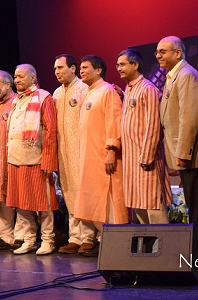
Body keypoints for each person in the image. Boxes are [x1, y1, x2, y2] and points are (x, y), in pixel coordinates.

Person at [157, 36, 198, 255]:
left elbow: (190, 118)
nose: (159, 56)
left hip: (192, 155)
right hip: (183, 155)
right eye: (157, 52)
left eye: (163, 51)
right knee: (193, 204)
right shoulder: (174, 76)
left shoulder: (187, 75)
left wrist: (183, 153)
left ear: (178, 53)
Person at [74, 55, 128, 256]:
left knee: (110, 199)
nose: (82, 70)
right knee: (95, 200)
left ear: (98, 70)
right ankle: (105, 241)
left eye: (85, 67)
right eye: (81, 67)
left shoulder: (107, 91)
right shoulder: (89, 93)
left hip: (104, 156)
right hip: (90, 157)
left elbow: (114, 122)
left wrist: (112, 151)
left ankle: (117, 245)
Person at [6, 65, 58, 256]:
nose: (17, 80)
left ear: (32, 77)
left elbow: (51, 131)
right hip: (16, 159)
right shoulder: (16, 101)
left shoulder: (44, 97)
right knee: (22, 204)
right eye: (15, 76)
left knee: (43, 203)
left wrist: (49, 161)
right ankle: (29, 240)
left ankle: (48, 240)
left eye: (20, 76)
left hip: (36, 160)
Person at [116, 49, 172, 224]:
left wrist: (147, 156)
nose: (118, 68)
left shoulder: (148, 88)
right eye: (117, 65)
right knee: (137, 202)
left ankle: (164, 247)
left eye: (122, 64)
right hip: (131, 159)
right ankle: (146, 247)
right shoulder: (130, 88)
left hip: (145, 159)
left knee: (152, 202)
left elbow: (153, 125)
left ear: (135, 65)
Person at [52, 54, 89, 254]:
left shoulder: (84, 89)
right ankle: (75, 237)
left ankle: (90, 238)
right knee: (69, 194)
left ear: (73, 68)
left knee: (83, 193)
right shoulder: (56, 94)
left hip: (81, 151)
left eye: (60, 67)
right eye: (55, 69)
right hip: (63, 153)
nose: (57, 72)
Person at [0, 70, 26, 251]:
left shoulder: (17, 101)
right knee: (0, 196)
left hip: (13, 155)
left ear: (7, 84)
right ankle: (5, 237)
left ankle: (20, 236)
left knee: (16, 195)